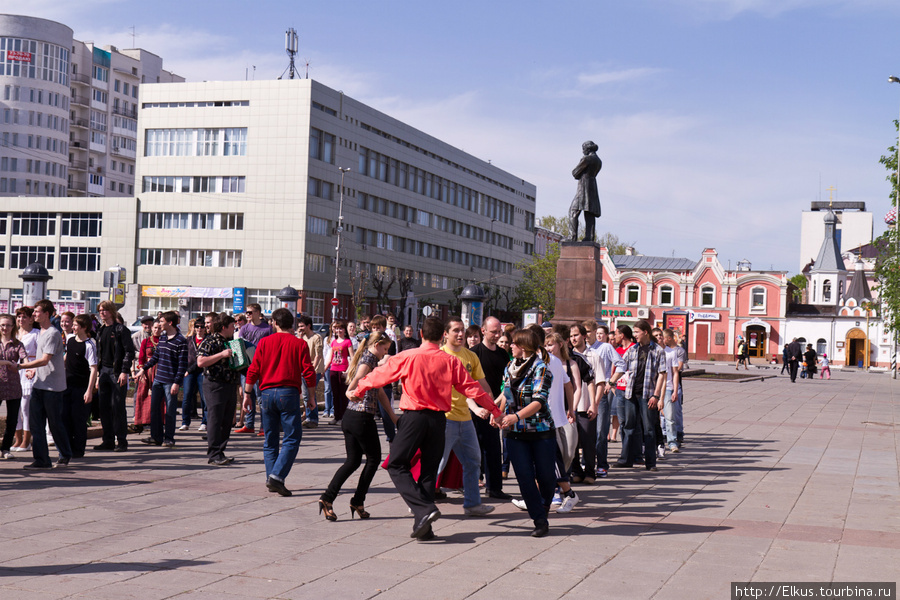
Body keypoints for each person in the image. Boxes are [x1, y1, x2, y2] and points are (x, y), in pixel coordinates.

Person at [348, 316, 503, 541]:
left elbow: (379, 376)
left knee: (396, 464)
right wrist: (496, 412)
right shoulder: (451, 362)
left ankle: (423, 510)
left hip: (415, 417)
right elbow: (474, 389)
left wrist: (358, 390)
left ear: (421, 334)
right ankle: (425, 528)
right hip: (439, 420)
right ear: (442, 336)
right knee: (429, 472)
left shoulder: (408, 356)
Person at [319, 332, 397, 521]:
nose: (384, 353)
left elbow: (380, 394)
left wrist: (394, 418)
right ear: (377, 344)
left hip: (350, 417)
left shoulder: (366, 358)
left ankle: (327, 498)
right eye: (385, 349)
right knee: (373, 459)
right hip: (361, 418)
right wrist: (349, 392)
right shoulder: (369, 360)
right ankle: (358, 501)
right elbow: (355, 382)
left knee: (353, 461)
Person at [243, 308, 317, 496]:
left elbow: (254, 369)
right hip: (288, 393)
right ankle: (276, 476)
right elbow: (308, 372)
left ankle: (272, 478)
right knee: (292, 437)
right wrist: (311, 397)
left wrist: (246, 394)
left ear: (275, 323)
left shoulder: (264, 342)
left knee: (270, 439)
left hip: (266, 393)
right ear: (291, 324)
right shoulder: (299, 344)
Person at [498, 328, 556, 537]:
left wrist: (516, 416)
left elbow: (539, 401)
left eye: (513, 343)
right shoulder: (509, 367)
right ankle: (539, 519)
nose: (509, 346)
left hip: (541, 430)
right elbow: (506, 392)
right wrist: (497, 412)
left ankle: (544, 506)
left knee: (547, 477)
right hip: (515, 432)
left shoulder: (542, 369)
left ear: (523, 346)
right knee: (524, 476)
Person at [436, 318, 496, 517]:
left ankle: (472, 504)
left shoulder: (470, 356)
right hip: (444, 418)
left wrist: (494, 408)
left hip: (466, 418)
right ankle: (421, 503)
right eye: (456, 331)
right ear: (445, 334)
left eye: (463, 330)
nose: (461, 335)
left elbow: (481, 385)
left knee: (472, 462)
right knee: (438, 463)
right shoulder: (439, 355)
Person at [9, 300, 71, 469]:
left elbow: (45, 360)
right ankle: (42, 459)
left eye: (37, 312)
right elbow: (42, 362)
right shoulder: (41, 332)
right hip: (39, 384)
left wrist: (20, 366)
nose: (34, 314)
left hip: (53, 387)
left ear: (46, 314)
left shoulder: (52, 333)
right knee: (36, 424)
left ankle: (65, 453)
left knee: (54, 423)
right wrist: (33, 371)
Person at [609, 320, 667, 471]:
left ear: (645, 332)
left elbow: (661, 375)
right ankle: (626, 459)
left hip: (647, 394)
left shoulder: (657, 351)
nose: (634, 335)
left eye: (636, 332)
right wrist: (611, 382)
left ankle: (650, 462)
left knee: (648, 428)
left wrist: (656, 395)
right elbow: (622, 367)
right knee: (628, 426)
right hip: (630, 394)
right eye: (633, 332)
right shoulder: (633, 350)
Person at [471, 316, 512, 500]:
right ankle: (470, 484)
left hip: (496, 407)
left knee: (494, 448)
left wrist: (498, 407)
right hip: (477, 408)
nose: (497, 335)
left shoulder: (503, 355)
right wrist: (478, 406)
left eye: (499, 332)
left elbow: (507, 384)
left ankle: (494, 488)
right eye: (493, 331)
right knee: (474, 449)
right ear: (483, 331)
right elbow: (469, 383)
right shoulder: (474, 353)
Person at [136, 312, 188, 448]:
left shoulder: (181, 341)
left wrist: (177, 382)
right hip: (158, 380)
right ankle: (156, 437)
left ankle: (169, 438)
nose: (159, 324)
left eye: (162, 321)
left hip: (170, 381)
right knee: (154, 409)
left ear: (170, 323)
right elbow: (155, 357)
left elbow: (182, 365)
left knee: (170, 411)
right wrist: (143, 369)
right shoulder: (163, 338)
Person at [197, 312, 240, 466]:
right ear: (223, 327)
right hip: (215, 384)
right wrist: (221, 355)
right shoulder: (210, 341)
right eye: (231, 327)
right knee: (215, 419)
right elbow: (201, 362)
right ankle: (214, 453)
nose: (234, 329)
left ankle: (220, 451)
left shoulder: (232, 342)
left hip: (230, 384)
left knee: (227, 420)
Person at [94, 301, 134, 452]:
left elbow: (129, 352)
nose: (102, 313)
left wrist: (124, 371)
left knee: (118, 406)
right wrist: (98, 374)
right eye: (100, 310)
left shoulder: (120, 330)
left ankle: (122, 441)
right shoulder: (100, 330)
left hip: (116, 372)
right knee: (104, 407)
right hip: (103, 371)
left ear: (111, 311)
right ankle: (108, 440)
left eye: (104, 310)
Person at [62, 315, 98, 458]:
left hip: (81, 387)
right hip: (67, 385)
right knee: (65, 417)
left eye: (76, 325)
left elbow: (93, 368)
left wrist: (89, 390)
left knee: (78, 419)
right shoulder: (70, 340)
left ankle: (78, 449)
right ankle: (68, 447)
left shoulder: (89, 345)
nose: (73, 327)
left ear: (84, 327)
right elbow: (66, 359)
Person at [235, 303, 273, 433]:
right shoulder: (244, 328)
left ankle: (263, 426)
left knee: (261, 397)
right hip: (247, 368)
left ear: (258, 313)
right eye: (247, 312)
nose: (248, 315)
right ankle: (249, 424)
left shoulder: (267, 329)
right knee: (247, 396)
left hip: (261, 367)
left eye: (250, 312)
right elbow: (239, 346)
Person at [10, 306, 38, 454]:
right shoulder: (13, 334)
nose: (21, 320)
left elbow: (40, 355)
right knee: (15, 408)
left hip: (29, 372)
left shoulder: (36, 334)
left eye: (24, 317)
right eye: (19, 317)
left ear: (31, 319)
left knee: (26, 408)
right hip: (13, 373)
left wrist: (32, 368)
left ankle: (27, 441)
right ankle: (18, 439)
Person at [0, 314, 26, 459]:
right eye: (2, 325)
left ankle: (6, 448)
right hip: (0, 384)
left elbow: (24, 358)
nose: (5, 328)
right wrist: (9, 363)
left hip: (13, 385)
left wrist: (28, 367)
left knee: (12, 419)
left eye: (8, 325)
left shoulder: (17, 344)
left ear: (13, 327)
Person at [567, 140, 602, 241]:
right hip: (592, 187)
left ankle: (572, 237)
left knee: (573, 211)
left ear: (588, 148)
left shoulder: (587, 159)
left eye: (583, 148)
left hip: (583, 188)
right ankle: (589, 237)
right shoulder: (599, 161)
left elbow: (575, 172)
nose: (582, 151)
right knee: (589, 213)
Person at [132, 321, 161, 434]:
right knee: (143, 396)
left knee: (158, 397)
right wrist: (141, 370)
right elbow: (141, 358)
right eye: (155, 328)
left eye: (159, 328)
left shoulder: (163, 341)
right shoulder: (146, 341)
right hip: (147, 371)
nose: (156, 330)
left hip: (159, 371)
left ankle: (158, 422)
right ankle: (143, 421)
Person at [297, 315, 325, 429]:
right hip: (303, 369)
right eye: (299, 326)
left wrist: (312, 369)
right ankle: (308, 417)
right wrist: (299, 337)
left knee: (310, 393)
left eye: (302, 326)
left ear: (308, 325)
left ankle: (313, 418)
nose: (300, 328)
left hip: (314, 370)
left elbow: (318, 355)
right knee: (305, 394)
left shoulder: (316, 337)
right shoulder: (302, 338)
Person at [180, 318, 207, 432]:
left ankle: (204, 422)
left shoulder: (207, 340)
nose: (199, 329)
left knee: (204, 397)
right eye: (197, 326)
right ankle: (185, 421)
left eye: (201, 326)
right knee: (187, 396)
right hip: (189, 371)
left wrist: (189, 369)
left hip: (202, 371)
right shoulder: (189, 340)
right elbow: (184, 355)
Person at [662, 329, 685, 454]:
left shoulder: (674, 352)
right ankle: (659, 441)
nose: (660, 338)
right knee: (658, 417)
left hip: (669, 387)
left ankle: (673, 441)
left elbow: (677, 371)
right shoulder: (653, 352)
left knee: (671, 416)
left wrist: (675, 390)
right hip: (654, 388)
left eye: (662, 336)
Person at [326, 320, 353, 424]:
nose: (338, 330)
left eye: (340, 328)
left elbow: (352, 357)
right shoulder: (333, 342)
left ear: (344, 330)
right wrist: (323, 370)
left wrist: (348, 371)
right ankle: (337, 417)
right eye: (336, 328)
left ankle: (343, 417)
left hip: (343, 370)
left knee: (343, 395)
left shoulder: (347, 342)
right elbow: (330, 358)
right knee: (335, 395)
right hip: (333, 370)